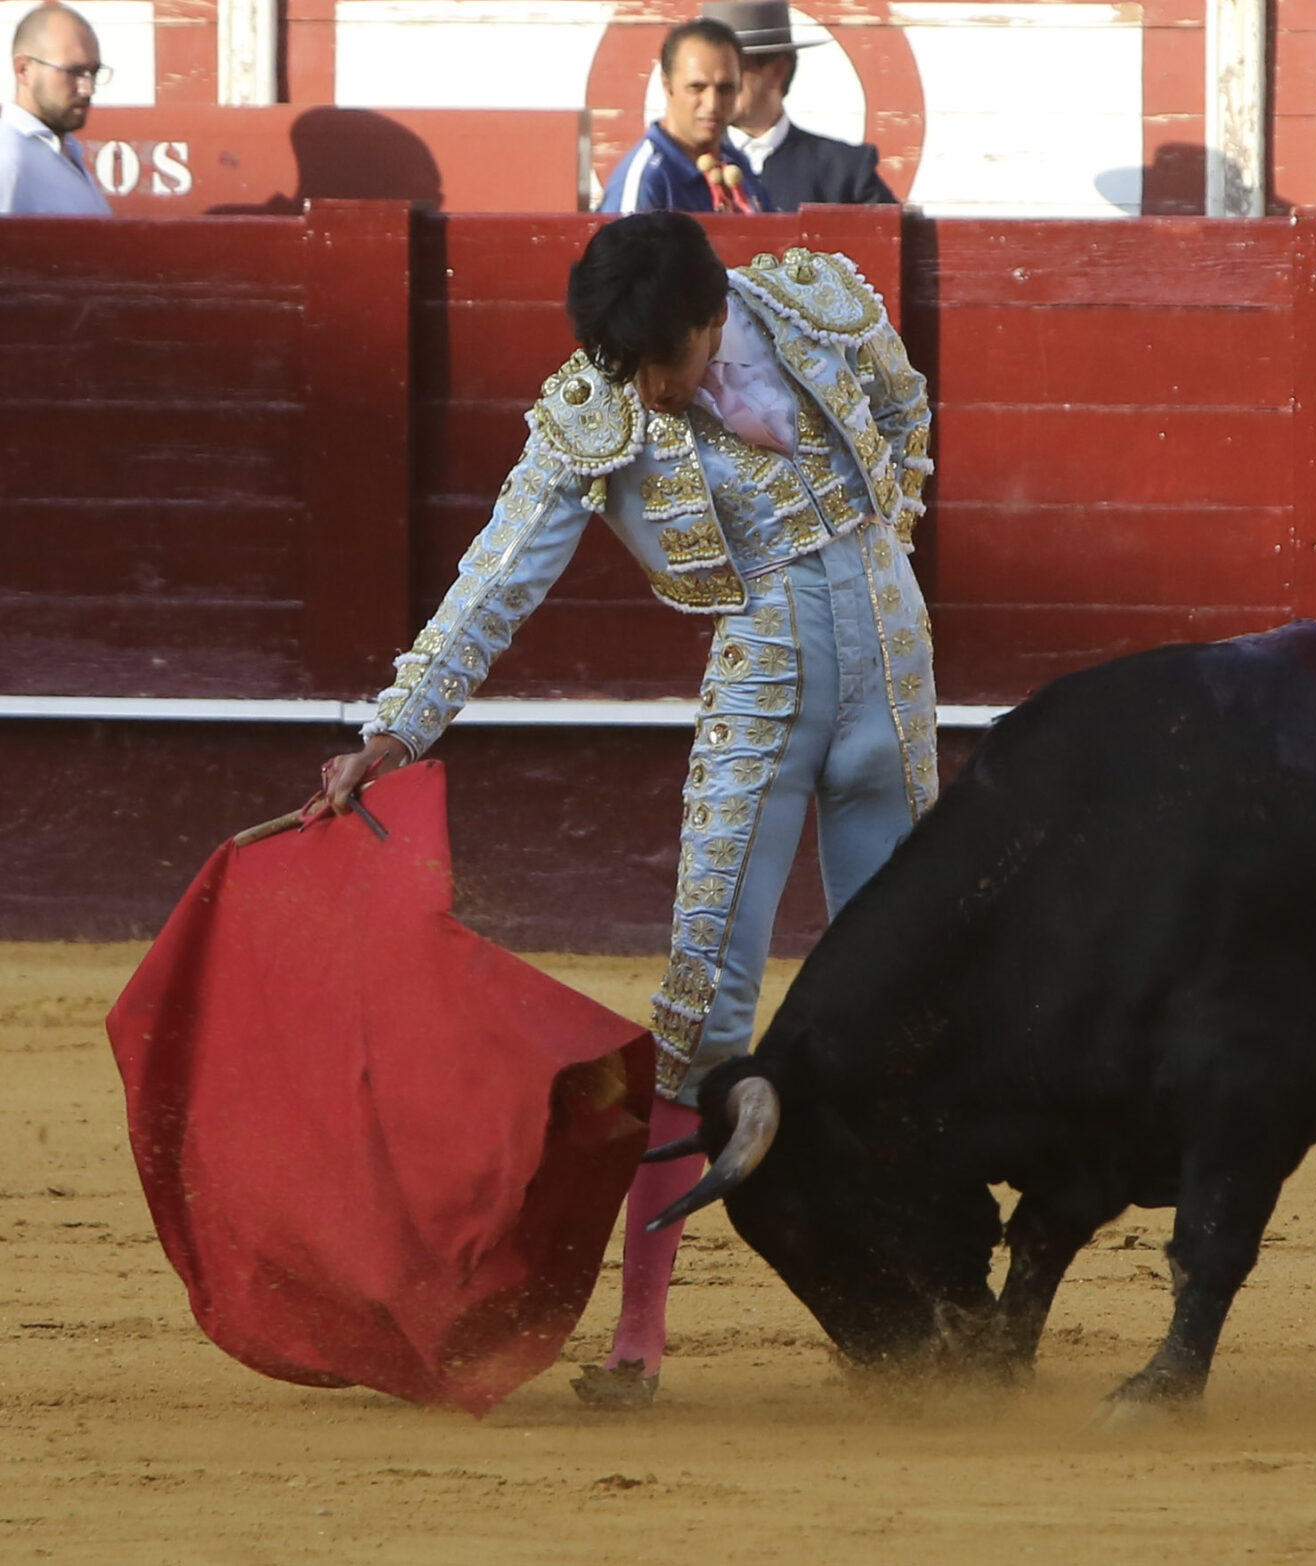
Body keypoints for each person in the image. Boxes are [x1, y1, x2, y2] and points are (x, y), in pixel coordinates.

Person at [305, 211, 938, 1409]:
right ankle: (639, 1341)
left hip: (897, 685)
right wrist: (396, 728)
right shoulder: (602, 406)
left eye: (669, 361)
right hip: (764, 694)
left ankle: (910, 1307)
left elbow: (904, 422)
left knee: (902, 1009)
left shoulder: (813, 306)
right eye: (628, 368)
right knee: (700, 1007)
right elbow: (499, 577)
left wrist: (883, 562)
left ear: (715, 319)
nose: (650, 390)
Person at [703, 0, 898, 210]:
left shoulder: (844, 172)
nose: (718, 85)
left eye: (733, 68)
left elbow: (893, 237)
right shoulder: (681, 165)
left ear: (778, 70)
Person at [602, 17, 774, 214]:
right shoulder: (648, 178)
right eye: (697, 88)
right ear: (668, 86)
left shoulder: (737, 166)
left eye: (725, 89)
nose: (712, 104)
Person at [2, 2, 110, 215]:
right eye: (73, 71)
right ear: (23, 69)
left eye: (93, 72)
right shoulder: (8, 160)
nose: (87, 89)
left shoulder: (67, 149)